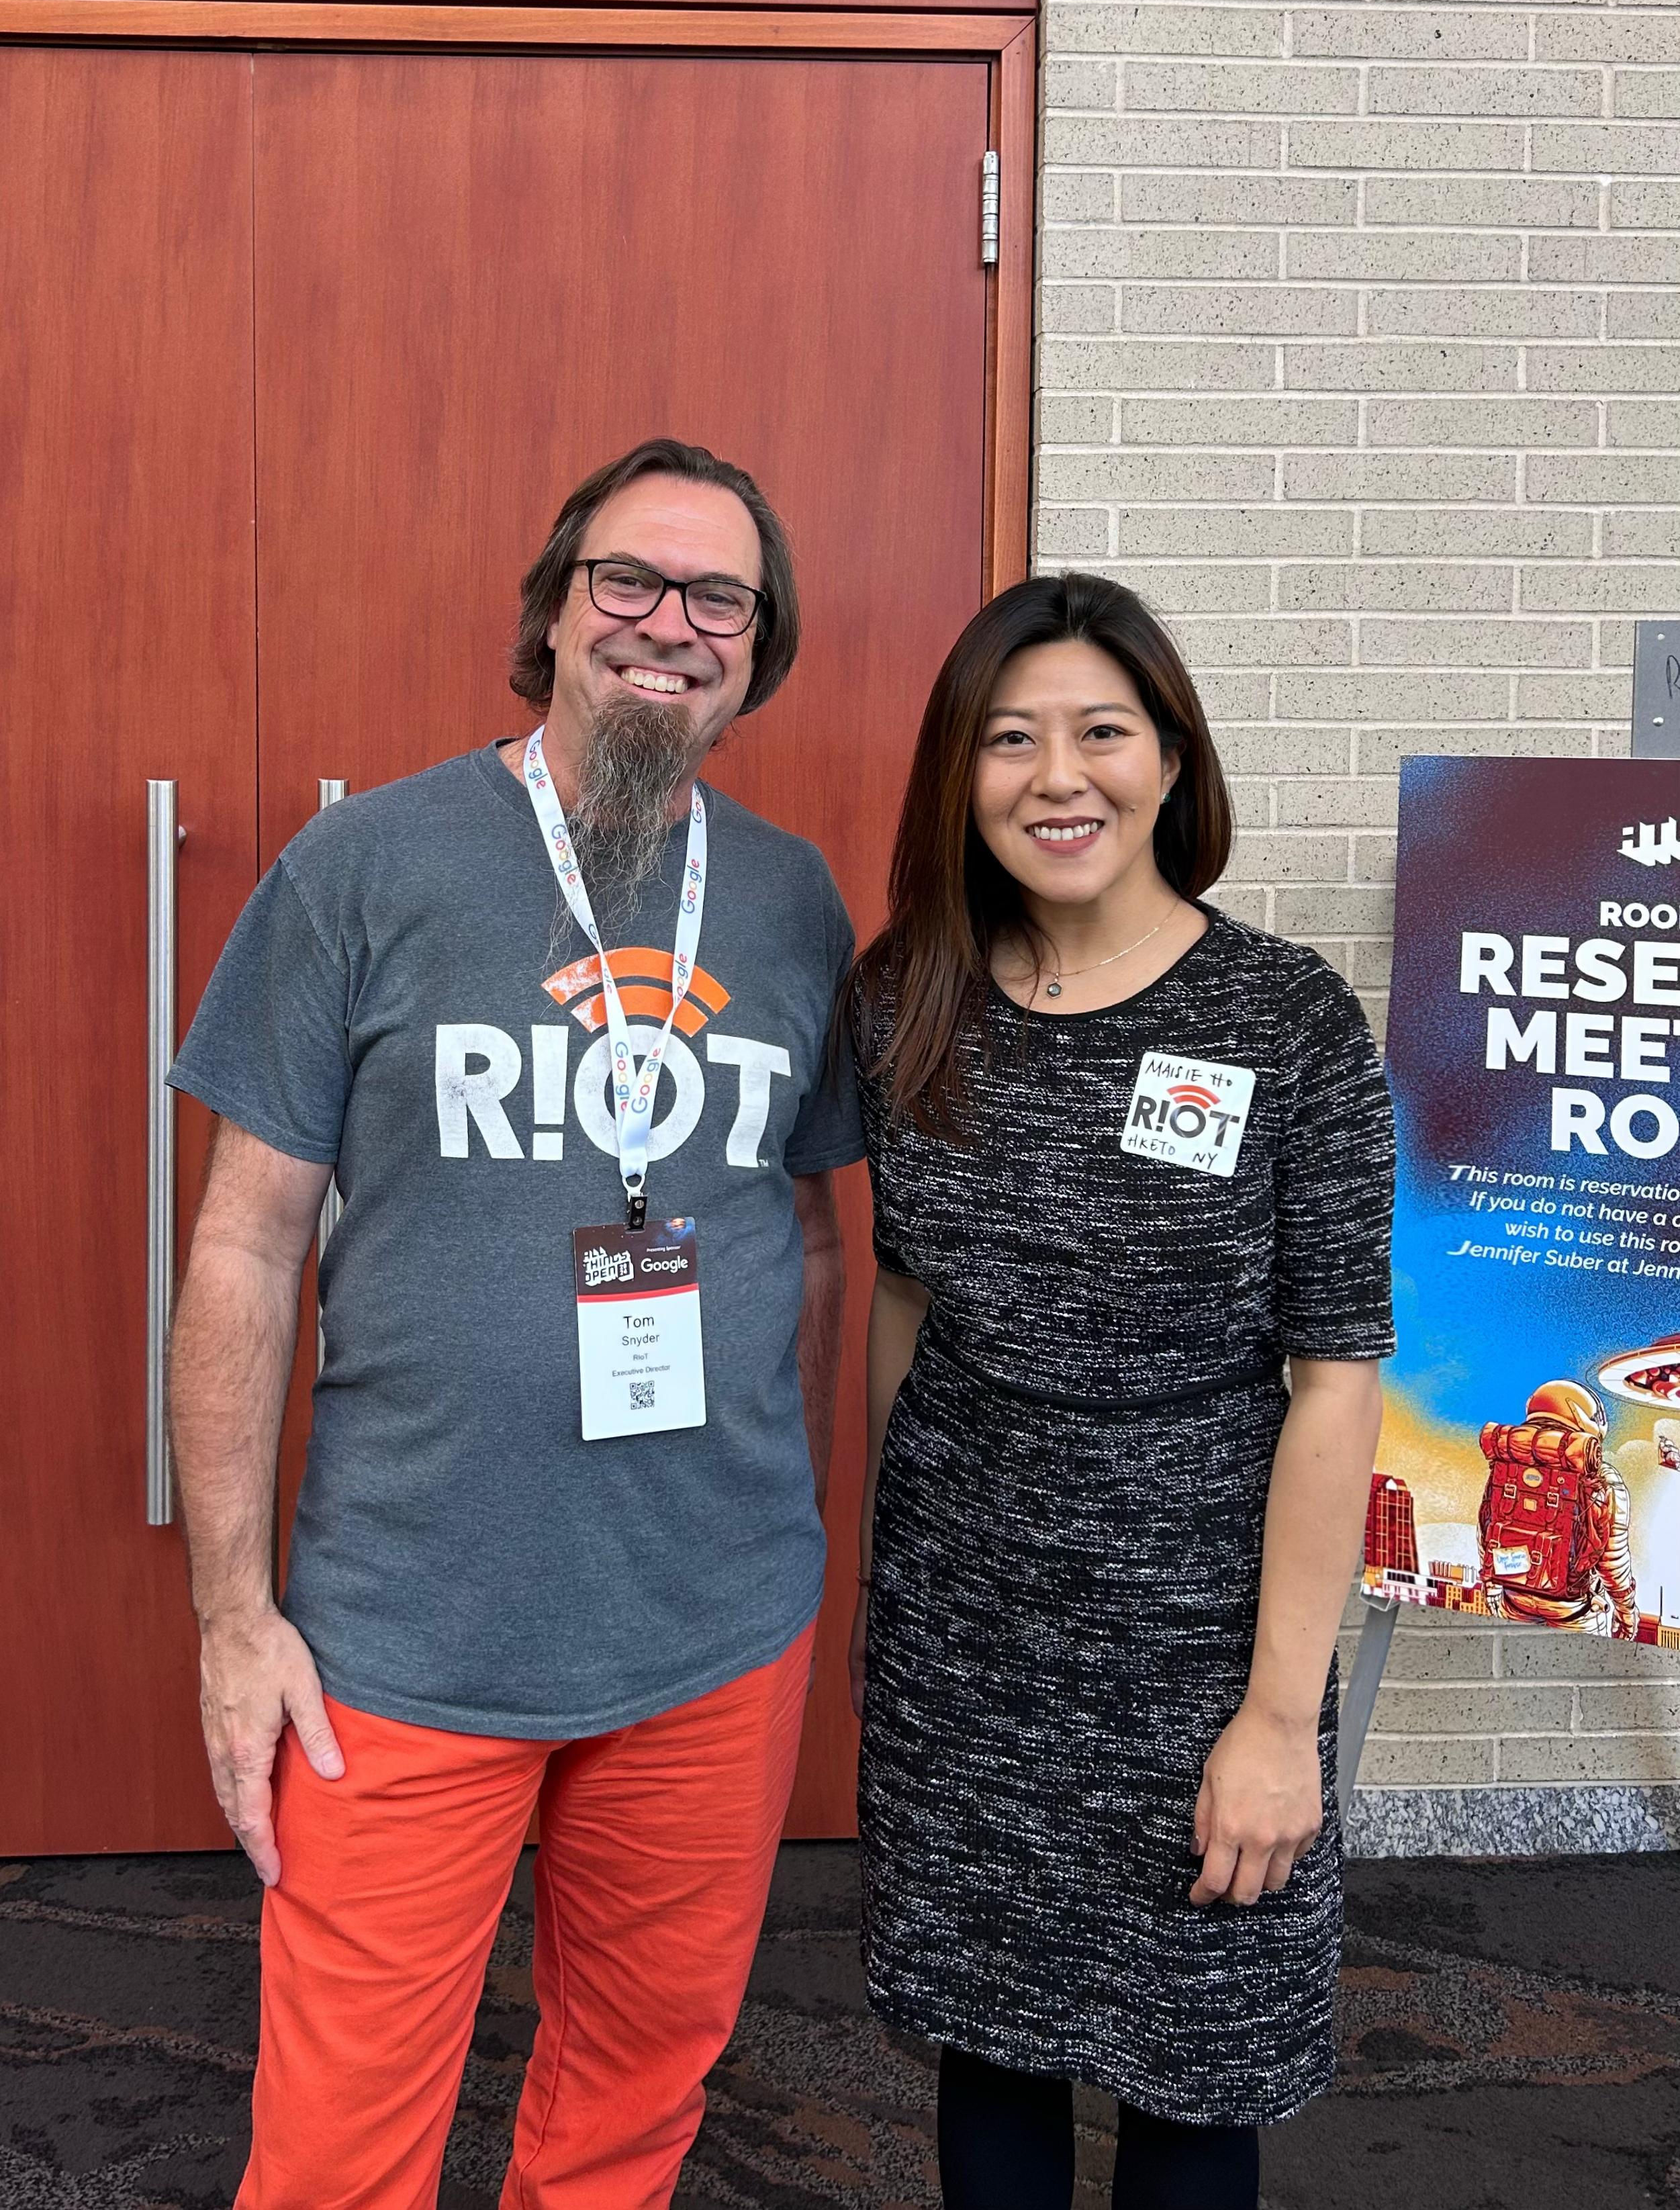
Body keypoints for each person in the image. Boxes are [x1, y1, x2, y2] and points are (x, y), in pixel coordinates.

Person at [166, 437, 863, 2208]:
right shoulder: (364, 865)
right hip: (407, 1628)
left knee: (628, 2110)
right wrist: (234, 1616)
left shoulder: (785, 900)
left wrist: (791, 1516)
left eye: (720, 599)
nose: (667, 624)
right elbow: (243, 1245)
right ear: (552, 612)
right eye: (625, 579)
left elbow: (806, 1227)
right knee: (334, 2150)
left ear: (755, 651)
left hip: (712, 1621)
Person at [846, 573, 1394, 2209]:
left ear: (1170, 760)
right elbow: (900, 1291)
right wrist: (903, 1571)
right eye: (1009, 739)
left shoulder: (1282, 1019)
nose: (1055, 776)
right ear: (961, 773)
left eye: (1101, 730)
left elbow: (1335, 1381)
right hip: (966, 1650)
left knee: (1190, 2068)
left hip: (1193, 1661)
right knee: (987, 2045)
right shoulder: (904, 999)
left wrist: (1278, 1719)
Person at [1479, 1379, 1636, 1635]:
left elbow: (1487, 1530)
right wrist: (1626, 1612)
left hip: (1513, 1599)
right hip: (1574, 1611)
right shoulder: (1602, 1477)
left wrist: (1492, 1588)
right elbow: (1612, 1561)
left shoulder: (1506, 1465)